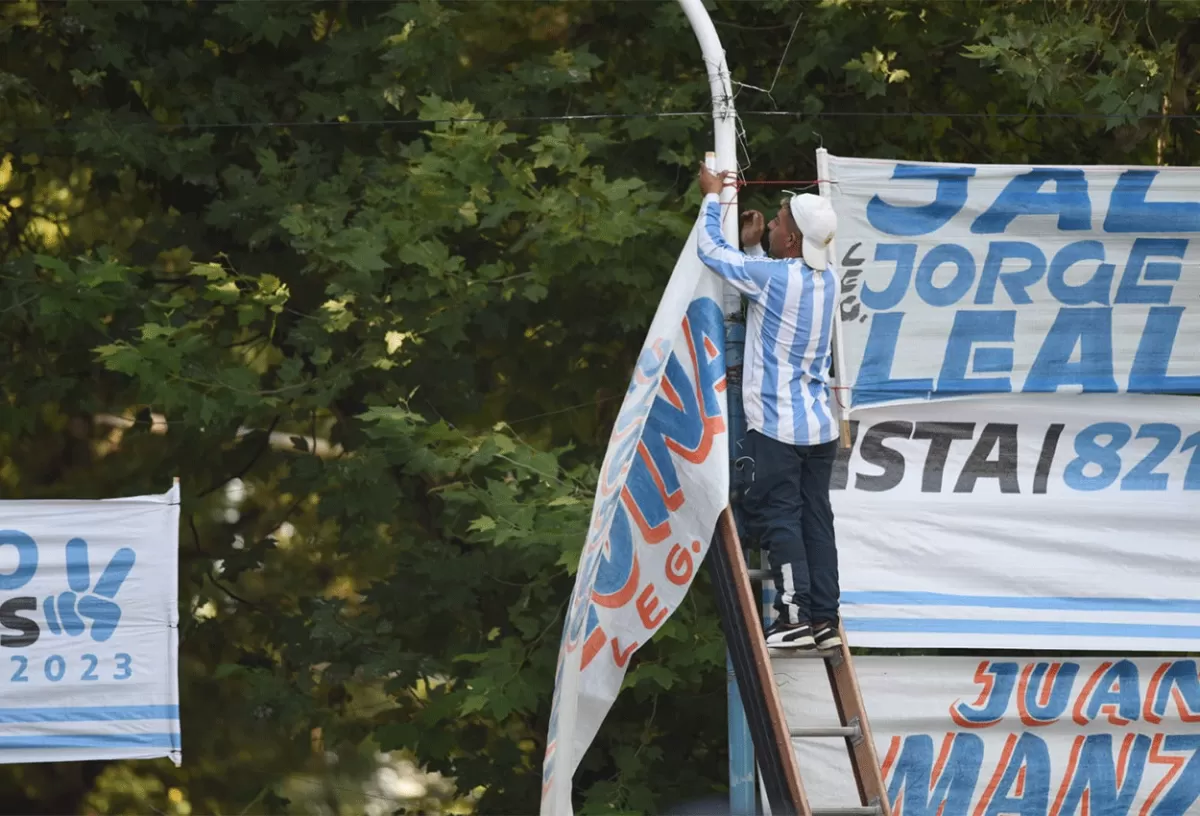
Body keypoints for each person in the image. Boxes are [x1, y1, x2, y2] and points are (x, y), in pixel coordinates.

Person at [695, 163, 842, 651]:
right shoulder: (828, 278)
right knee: (816, 519)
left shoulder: (776, 279)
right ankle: (824, 617)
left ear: (793, 241)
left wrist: (712, 198)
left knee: (780, 517)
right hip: (818, 426)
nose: (772, 225)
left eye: (778, 223)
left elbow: (711, 251)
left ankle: (795, 616)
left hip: (778, 424)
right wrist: (757, 246)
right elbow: (771, 282)